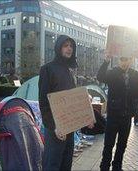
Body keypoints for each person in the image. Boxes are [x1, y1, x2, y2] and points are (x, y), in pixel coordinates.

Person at [97, 52, 138, 171]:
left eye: (127, 59)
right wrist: (106, 61)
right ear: (119, 60)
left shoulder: (135, 75)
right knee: (108, 144)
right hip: (113, 115)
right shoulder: (113, 73)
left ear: (131, 60)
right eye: (122, 59)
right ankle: (104, 167)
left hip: (127, 116)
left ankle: (117, 166)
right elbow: (100, 77)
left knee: (122, 145)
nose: (124, 62)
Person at [39, 35, 90, 171]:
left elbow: (73, 100)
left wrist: (87, 117)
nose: (69, 49)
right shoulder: (47, 69)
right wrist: (54, 126)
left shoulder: (69, 71)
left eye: (71, 46)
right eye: (65, 45)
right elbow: (44, 103)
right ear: (58, 48)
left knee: (66, 162)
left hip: (69, 126)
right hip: (55, 127)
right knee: (53, 163)